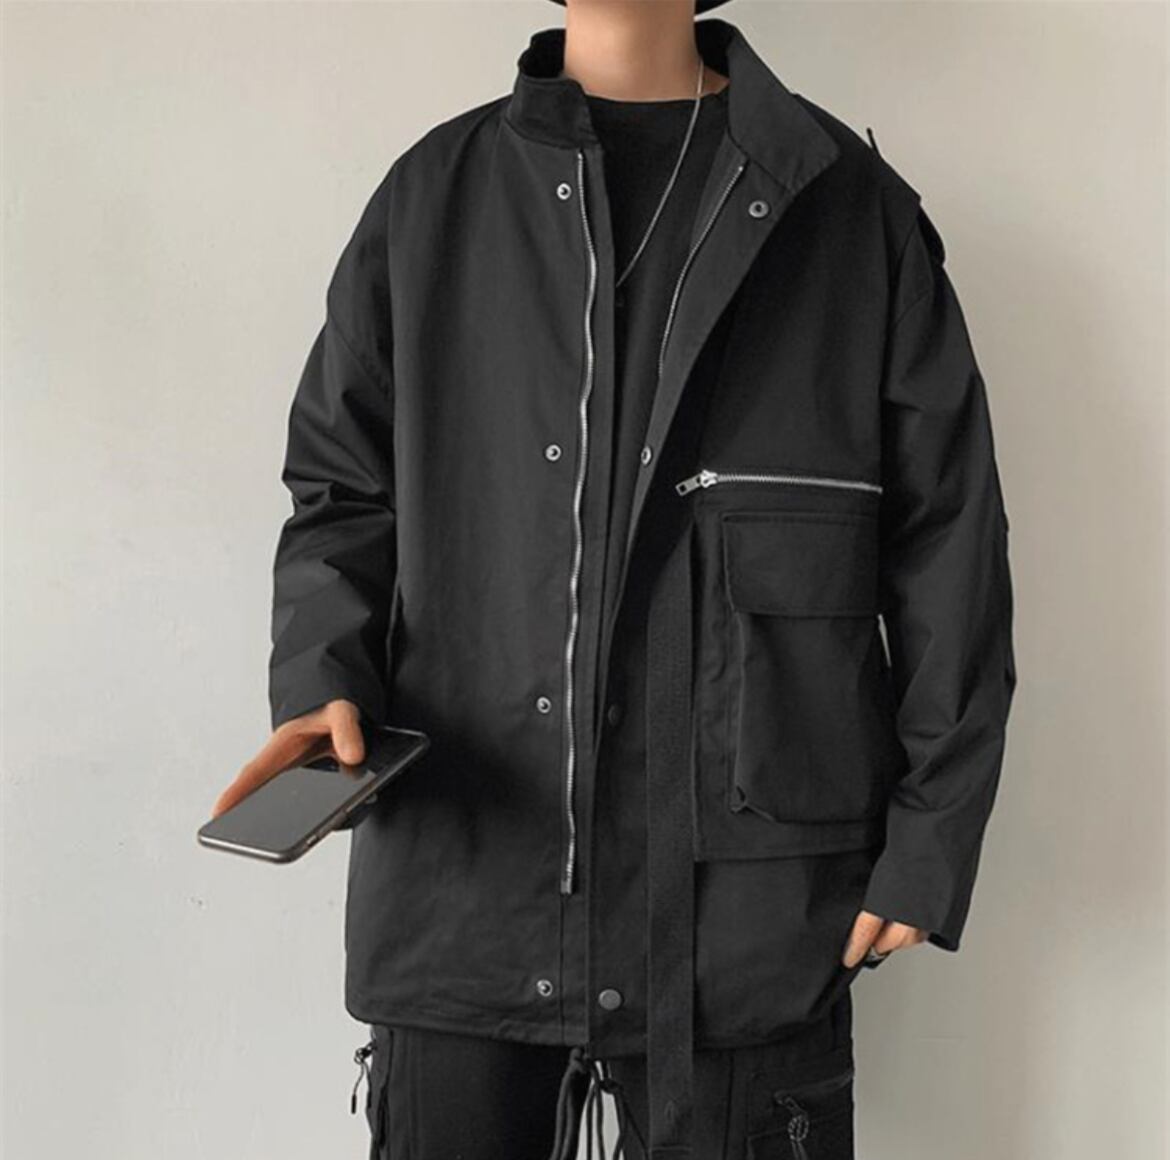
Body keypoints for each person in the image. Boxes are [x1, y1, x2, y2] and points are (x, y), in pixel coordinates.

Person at [212, 1, 1016, 1156]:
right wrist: (320, 677)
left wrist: (932, 837)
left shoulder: (846, 207)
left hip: (749, 897)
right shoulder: (435, 197)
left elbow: (950, 540)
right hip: (468, 874)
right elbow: (342, 487)